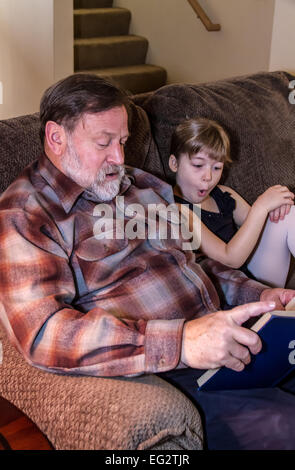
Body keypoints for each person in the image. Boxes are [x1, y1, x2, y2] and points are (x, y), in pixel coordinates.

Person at [0, 73, 295, 450]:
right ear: (57, 138)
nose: (120, 158)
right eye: (104, 142)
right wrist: (182, 342)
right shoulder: (25, 215)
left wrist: (265, 296)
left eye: (122, 142)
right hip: (170, 367)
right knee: (283, 426)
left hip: (229, 335)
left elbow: (198, 263)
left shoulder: (143, 185)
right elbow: (44, 333)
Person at [169, 117, 295, 287]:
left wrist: (277, 207)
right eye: (198, 165)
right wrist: (262, 206)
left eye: (217, 168)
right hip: (232, 285)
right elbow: (229, 260)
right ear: (174, 163)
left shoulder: (224, 194)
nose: (208, 177)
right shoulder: (178, 210)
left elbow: (261, 228)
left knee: (288, 215)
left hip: (254, 269)